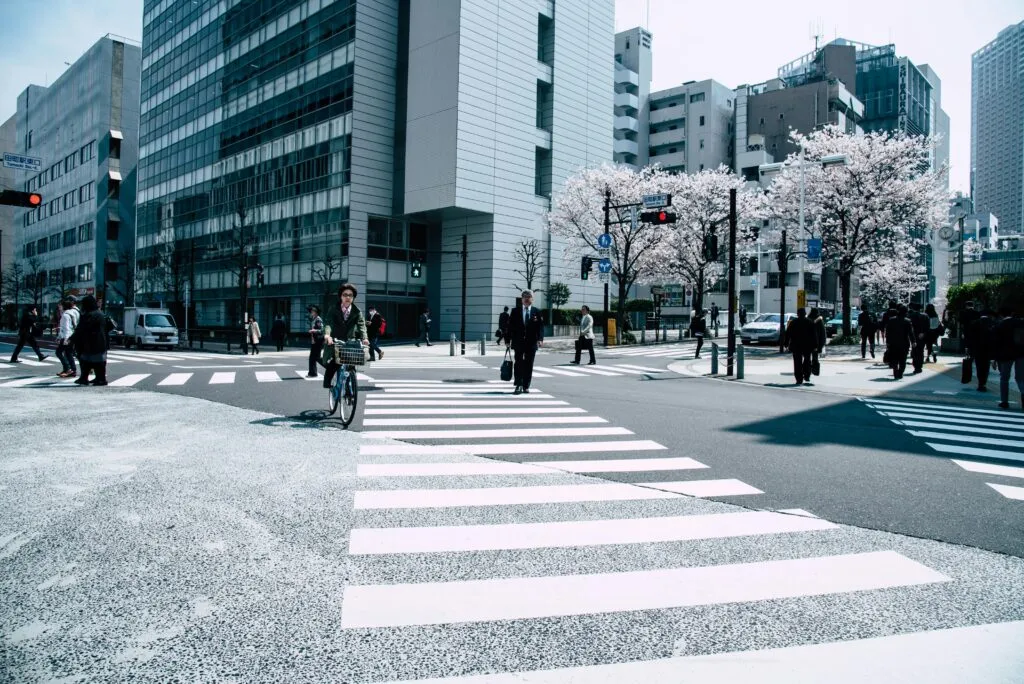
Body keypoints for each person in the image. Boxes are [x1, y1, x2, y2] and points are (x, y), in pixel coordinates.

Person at [321, 283, 369, 389]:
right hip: (335, 341)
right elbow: (328, 323)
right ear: (341, 296)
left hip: (349, 341)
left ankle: (350, 389)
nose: (347, 297)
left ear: (353, 297)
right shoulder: (333, 309)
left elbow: (362, 326)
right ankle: (327, 382)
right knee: (334, 363)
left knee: (352, 363)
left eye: (350, 295)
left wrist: (365, 338)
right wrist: (327, 335)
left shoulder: (357, 311)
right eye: (345, 295)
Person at [70, 295, 115, 386]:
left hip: (90, 342)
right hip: (101, 342)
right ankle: (100, 378)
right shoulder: (100, 314)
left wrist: (71, 339)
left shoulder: (88, 315)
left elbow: (81, 329)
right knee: (99, 362)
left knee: (85, 361)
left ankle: (85, 378)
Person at [506, 289, 544, 395]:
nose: (526, 299)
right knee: (518, 363)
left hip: (531, 343)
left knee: (529, 364)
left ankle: (526, 385)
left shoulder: (537, 311)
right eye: (524, 297)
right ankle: (518, 384)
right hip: (518, 342)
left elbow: (540, 327)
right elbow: (510, 327)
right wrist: (507, 340)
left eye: (529, 297)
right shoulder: (515, 311)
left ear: (532, 299)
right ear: (521, 299)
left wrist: (540, 339)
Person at [993, 305, 1024, 411]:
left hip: (1005, 355)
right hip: (1021, 353)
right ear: (1012, 313)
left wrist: (995, 359)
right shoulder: (1021, 323)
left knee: (1004, 378)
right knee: (1020, 378)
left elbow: (996, 343)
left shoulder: (1000, 325)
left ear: (1001, 315)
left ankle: (1004, 401)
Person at [785, 308, 816, 385]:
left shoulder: (793, 322)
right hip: (807, 345)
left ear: (798, 314)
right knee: (807, 360)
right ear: (805, 314)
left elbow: (788, 334)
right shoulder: (810, 322)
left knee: (797, 362)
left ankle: (799, 378)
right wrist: (815, 345)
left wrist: (786, 344)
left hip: (796, 345)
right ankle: (807, 375)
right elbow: (814, 335)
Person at [967, 309, 996, 392]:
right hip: (988, 349)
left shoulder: (974, 323)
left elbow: (970, 337)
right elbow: (994, 338)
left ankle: (980, 383)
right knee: (986, 367)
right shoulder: (992, 323)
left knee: (979, 366)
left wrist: (969, 348)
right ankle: (984, 383)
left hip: (977, 349)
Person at [885, 304, 915, 380]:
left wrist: (887, 342)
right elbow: (910, 333)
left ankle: (895, 370)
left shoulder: (891, 320)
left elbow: (887, 332)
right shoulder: (907, 321)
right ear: (906, 312)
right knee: (903, 359)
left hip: (893, 343)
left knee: (894, 358)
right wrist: (913, 341)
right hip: (904, 343)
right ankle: (900, 372)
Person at [55, 297, 80, 378]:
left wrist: (65, 339)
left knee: (59, 352)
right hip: (71, 337)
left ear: (64, 306)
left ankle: (68, 369)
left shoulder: (65, 315)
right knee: (68, 353)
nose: (59, 307)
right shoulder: (69, 313)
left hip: (68, 337)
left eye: (60, 306)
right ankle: (72, 370)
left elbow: (66, 329)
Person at [908, 302, 930, 374]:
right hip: (923, 336)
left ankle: (916, 366)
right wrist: (923, 333)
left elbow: (910, 327)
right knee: (921, 350)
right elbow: (928, 327)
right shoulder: (926, 316)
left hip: (914, 336)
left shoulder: (911, 316)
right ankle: (920, 366)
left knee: (915, 350)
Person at [306, 305, 324, 378]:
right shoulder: (314, 319)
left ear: (316, 312)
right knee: (313, 358)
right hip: (314, 341)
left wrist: (314, 330)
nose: (311, 312)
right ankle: (312, 373)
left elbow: (322, 330)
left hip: (318, 341)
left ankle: (330, 367)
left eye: (313, 311)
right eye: (311, 311)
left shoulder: (318, 319)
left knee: (316, 357)